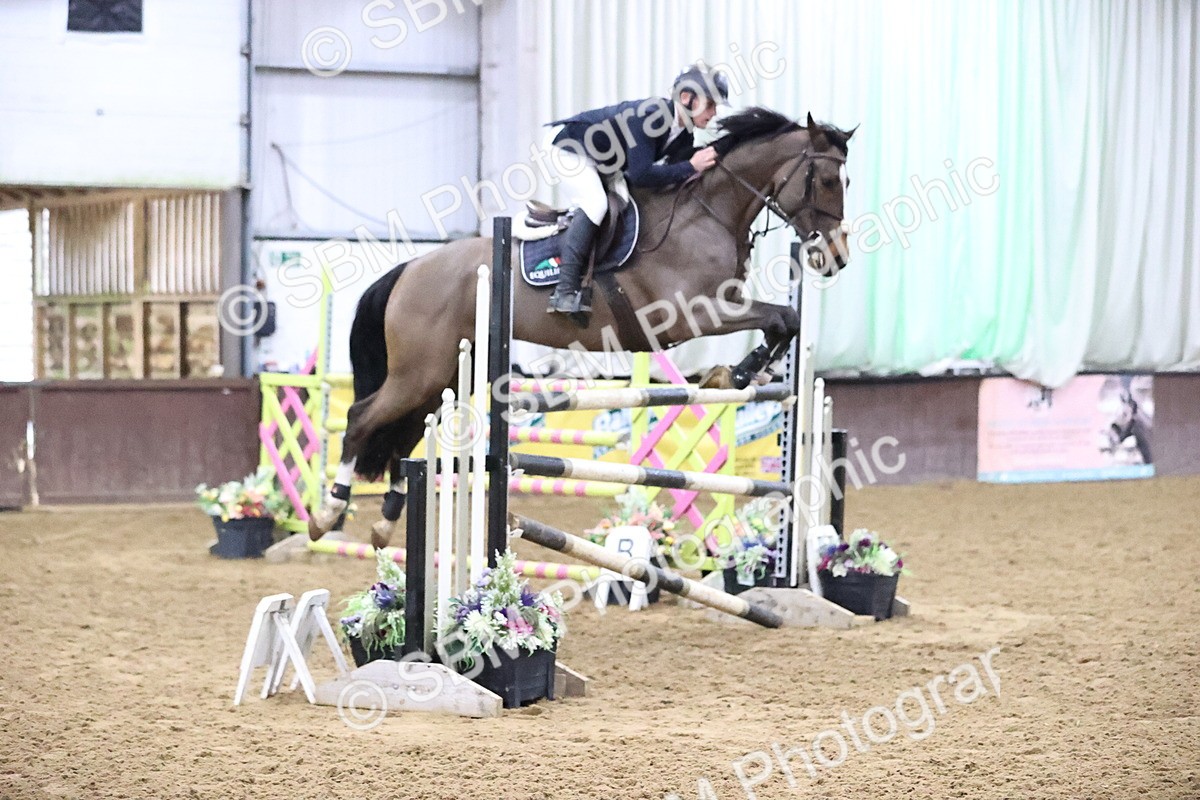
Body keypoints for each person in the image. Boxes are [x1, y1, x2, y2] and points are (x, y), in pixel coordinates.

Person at [542, 63, 730, 322]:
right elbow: (641, 175)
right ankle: (563, 291)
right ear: (687, 98)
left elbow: (678, 170)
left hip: (603, 161)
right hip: (568, 148)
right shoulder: (651, 115)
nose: (713, 113)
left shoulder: (684, 134)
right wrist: (690, 166)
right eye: (710, 105)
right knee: (596, 204)